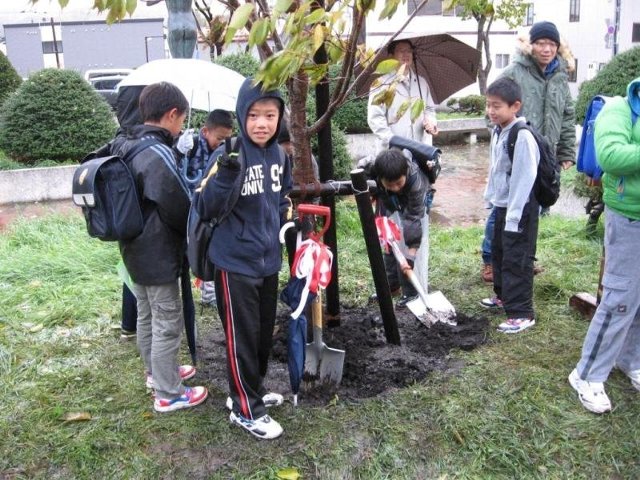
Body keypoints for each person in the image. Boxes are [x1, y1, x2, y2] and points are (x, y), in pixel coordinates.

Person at [197, 78, 292, 440]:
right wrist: (227, 175)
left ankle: (250, 388)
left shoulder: (279, 155)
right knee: (241, 337)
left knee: (262, 334)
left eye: (270, 115)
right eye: (253, 115)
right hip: (234, 262)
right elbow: (204, 206)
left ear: (279, 117)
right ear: (241, 115)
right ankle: (245, 408)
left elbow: (281, 197)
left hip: (268, 260)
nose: (262, 123)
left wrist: (286, 223)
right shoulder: (229, 152)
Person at [111, 82, 208, 413]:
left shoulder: (126, 144)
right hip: (158, 252)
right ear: (172, 114)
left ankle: (156, 373)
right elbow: (177, 203)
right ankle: (168, 393)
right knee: (167, 321)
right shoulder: (155, 152)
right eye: (182, 118)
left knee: (147, 314)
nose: (182, 125)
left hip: (133, 248)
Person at [480, 21, 576, 282]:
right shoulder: (514, 71)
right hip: (517, 149)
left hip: (544, 153)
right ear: (531, 45)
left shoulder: (559, 76)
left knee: (532, 208)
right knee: (503, 206)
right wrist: (501, 139)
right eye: (541, 43)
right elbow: (493, 107)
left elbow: (566, 114)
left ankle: (522, 258)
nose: (546, 49)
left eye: (552, 44)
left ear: (558, 48)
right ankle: (491, 259)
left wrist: (566, 152)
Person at [568, 78, 640, 414]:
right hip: (629, 217)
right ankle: (586, 374)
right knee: (619, 297)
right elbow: (610, 156)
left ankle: (630, 359)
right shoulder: (620, 109)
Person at [367, 38, 437, 301]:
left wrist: (430, 121)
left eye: (409, 52)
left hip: (417, 163)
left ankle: (415, 285)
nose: (406, 56)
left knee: (414, 220)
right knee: (388, 225)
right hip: (391, 162)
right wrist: (396, 146)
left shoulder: (421, 82)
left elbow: (429, 108)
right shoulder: (382, 84)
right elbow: (376, 121)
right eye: (401, 52)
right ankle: (391, 282)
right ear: (391, 54)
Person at [480, 77, 540, 334]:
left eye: (497, 106)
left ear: (515, 106)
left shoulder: (521, 136)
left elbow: (524, 179)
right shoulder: (498, 131)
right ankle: (503, 296)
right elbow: (497, 171)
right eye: (488, 105)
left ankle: (522, 312)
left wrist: (514, 215)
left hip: (521, 209)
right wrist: (491, 199)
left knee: (518, 258)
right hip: (503, 206)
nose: (491, 111)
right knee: (500, 253)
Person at [176, 109, 234, 306]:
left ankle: (209, 293)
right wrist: (179, 151)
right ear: (205, 131)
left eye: (227, 139)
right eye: (219, 138)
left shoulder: (226, 153)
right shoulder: (190, 146)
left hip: (210, 209)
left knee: (209, 247)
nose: (222, 143)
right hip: (189, 208)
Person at [360, 148, 430, 304]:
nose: (396, 187)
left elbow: (413, 219)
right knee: (388, 243)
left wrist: (410, 255)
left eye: (399, 183)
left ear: (405, 173)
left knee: (406, 246)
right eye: (390, 184)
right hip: (389, 202)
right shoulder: (373, 166)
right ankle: (392, 285)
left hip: (413, 206)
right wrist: (373, 191)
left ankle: (411, 292)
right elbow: (360, 171)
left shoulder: (416, 183)